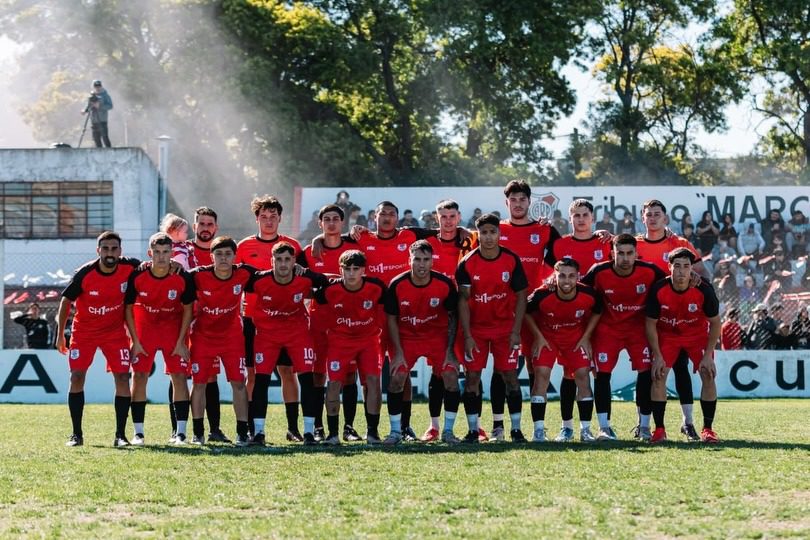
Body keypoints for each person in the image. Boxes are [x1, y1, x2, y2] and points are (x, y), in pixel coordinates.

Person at [56, 231, 140, 447]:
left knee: (122, 378)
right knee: (76, 377)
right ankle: (76, 434)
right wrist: (60, 337)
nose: (109, 253)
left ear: (120, 251)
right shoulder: (84, 273)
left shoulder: (130, 266)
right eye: (105, 248)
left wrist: (174, 267)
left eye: (114, 248)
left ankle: (120, 435)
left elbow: (153, 268)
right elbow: (66, 302)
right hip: (84, 332)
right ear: (98, 250)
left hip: (114, 332)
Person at [491, 180, 560, 441]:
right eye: (513, 200)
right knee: (501, 368)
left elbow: (559, 264)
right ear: (506, 202)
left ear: (530, 202)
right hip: (502, 308)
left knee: (534, 366)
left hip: (534, 309)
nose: (518, 204)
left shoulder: (544, 230)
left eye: (522, 199)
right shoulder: (495, 229)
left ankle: (535, 428)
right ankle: (498, 426)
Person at [581, 234, 666, 441]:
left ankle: (644, 427)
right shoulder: (599, 271)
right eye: (621, 253)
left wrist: (695, 279)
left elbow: (670, 284)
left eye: (630, 253)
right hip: (607, 330)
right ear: (612, 254)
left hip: (638, 331)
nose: (626, 258)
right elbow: (578, 290)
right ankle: (604, 428)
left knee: (645, 375)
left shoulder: (650, 271)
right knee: (603, 376)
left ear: (637, 253)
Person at [635, 199, 707, 441]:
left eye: (657, 214)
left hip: (678, 319)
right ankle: (643, 424)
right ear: (642, 218)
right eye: (649, 214)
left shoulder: (680, 243)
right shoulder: (635, 244)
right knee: (647, 370)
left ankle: (688, 422)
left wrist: (698, 279)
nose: (653, 218)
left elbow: (702, 273)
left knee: (681, 368)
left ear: (665, 218)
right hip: (643, 317)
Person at [235, 195, 304, 442]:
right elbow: (233, 281)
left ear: (280, 218)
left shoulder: (293, 246)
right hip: (253, 320)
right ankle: (253, 428)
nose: (268, 221)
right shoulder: (243, 247)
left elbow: (305, 279)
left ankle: (293, 428)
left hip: (287, 320)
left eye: (273, 216)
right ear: (256, 219)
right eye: (263, 216)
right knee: (252, 374)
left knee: (288, 372)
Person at [456, 213, 528, 443]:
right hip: (476, 330)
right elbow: (463, 301)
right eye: (484, 233)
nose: (488, 237)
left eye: (492, 232)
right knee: (472, 378)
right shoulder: (467, 262)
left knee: (510, 376)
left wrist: (516, 331)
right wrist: (467, 335)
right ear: (479, 235)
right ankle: (473, 430)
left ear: (499, 233)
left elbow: (521, 296)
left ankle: (516, 430)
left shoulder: (511, 260)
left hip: (505, 329)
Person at [247, 242, 325, 445]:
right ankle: (258, 433)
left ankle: (309, 432)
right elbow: (235, 276)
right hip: (267, 336)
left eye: (287, 259)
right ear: (271, 261)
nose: (283, 264)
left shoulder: (305, 278)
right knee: (260, 381)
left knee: (307, 380)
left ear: (294, 262)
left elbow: (326, 281)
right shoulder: (259, 280)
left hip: (298, 334)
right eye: (278, 259)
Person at [383, 240, 461, 444]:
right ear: (409, 260)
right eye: (417, 259)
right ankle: (395, 432)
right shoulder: (397, 284)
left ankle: (448, 432)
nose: (421, 264)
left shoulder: (444, 284)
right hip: (407, 338)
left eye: (426, 259)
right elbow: (391, 319)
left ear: (432, 261)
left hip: (437, 337)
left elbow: (453, 316)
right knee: (397, 379)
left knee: (451, 376)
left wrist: (450, 350)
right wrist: (397, 352)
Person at [124, 233, 195, 445]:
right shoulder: (138, 275)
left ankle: (180, 432)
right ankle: (138, 433)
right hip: (145, 330)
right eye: (157, 252)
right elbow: (128, 308)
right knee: (139, 376)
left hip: (172, 329)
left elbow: (188, 309)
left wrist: (182, 341)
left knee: (179, 377)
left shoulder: (183, 276)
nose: (161, 257)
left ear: (172, 254)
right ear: (150, 253)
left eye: (165, 252)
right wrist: (135, 340)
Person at [646, 248, 722, 444]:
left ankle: (708, 429)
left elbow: (715, 322)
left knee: (708, 373)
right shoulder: (659, 288)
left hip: (696, 336)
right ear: (669, 267)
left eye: (686, 267)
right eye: (677, 266)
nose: (681, 271)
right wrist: (657, 355)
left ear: (692, 269)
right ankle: (660, 430)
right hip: (668, 335)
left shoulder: (704, 289)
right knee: (659, 374)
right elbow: (650, 323)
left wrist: (708, 355)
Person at [524, 258, 601, 443]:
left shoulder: (589, 294)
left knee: (583, 375)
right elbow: (525, 311)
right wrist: (538, 336)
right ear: (555, 276)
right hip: (548, 339)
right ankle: (539, 431)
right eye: (562, 276)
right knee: (541, 375)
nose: (567, 281)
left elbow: (598, 311)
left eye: (571, 276)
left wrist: (586, 337)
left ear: (578, 277)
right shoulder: (542, 294)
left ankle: (585, 430)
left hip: (575, 339)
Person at [315, 250, 386, 445]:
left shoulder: (377, 288)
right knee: (334, 383)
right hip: (340, 342)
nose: (352, 273)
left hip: (368, 341)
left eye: (356, 269)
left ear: (363, 270)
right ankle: (332, 434)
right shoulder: (329, 290)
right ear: (341, 270)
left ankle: (373, 432)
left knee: (372, 381)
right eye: (347, 269)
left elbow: (386, 314)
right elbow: (316, 312)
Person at [296, 204, 355, 440]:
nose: (331, 223)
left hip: (350, 320)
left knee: (349, 376)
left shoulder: (354, 247)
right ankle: (318, 427)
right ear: (320, 224)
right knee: (318, 374)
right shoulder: (309, 252)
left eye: (335, 219)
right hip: (319, 320)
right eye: (326, 219)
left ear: (342, 223)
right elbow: (301, 285)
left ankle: (349, 427)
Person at [420, 199, 477, 441]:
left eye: (452, 216)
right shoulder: (427, 242)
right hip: (438, 316)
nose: (448, 220)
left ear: (459, 216)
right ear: (436, 218)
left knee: (471, 371)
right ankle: (434, 426)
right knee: (439, 371)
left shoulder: (471, 239)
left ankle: (475, 426)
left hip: (467, 312)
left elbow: (494, 232)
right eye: (443, 216)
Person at [188, 236, 253, 446]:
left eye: (227, 254)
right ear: (211, 256)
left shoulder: (244, 273)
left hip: (231, 338)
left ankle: (242, 433)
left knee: (238, 384)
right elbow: (174, 277)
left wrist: (300, 270)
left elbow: (272, 276)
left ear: (234, 256)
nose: (223, 258)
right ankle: (198, 433)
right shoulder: (198, 275)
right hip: (202, 338)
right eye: (219, 254)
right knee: (199, 384)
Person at [187, 206, 229, 443]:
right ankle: (180, 429)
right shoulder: (182, 250)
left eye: (209, 224)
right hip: (185, 323)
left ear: (216, 227)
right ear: (194, 227)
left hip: (213, 325)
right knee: (181, 377)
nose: (205, 228)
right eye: (201, 224)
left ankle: (214, 429)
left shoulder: (224, 250)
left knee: (211, 377)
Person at [82, 79, 113, 148]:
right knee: (96, 138)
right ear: (93, 87)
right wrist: (85, 110)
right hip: (94, 120)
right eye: (96, 86)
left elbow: (110, 106)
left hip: (102, 120)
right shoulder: (91, 96)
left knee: (105, 137)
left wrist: (100, 107)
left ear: (101, 86)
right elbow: (89, 106)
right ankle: (99, 151)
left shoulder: (105, 95)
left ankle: (109, 150)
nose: (97, 88)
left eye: (99, 86)